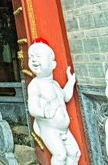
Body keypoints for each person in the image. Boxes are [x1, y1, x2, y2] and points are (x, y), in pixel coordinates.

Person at [26, 37, 80, 165]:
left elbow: (65, 97)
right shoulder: (35, 85)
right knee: (60, 155)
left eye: (38, 56)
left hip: (64, 129)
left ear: (53, 64)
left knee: (75, 153)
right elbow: (32, 108)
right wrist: (45, 112)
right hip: (48, 128)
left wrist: (71, 82)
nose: (34, 60)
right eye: (31, 57)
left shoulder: (55, 84)